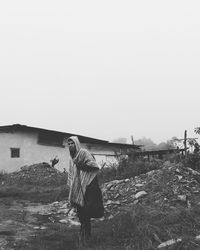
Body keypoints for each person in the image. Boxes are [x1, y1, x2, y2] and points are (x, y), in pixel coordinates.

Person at [66, 136, 104, 242]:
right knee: (80, 212)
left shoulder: (84, 152)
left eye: (72, 143)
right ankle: (83, 233)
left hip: (88, 186)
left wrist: (82, 166)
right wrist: (71, 185)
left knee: (86, 211)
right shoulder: (71, 157)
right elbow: (71, 172)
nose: (70, 146)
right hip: (77, 186)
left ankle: (87, 235)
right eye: (68, 144)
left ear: (76, 144)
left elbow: (94, 166)